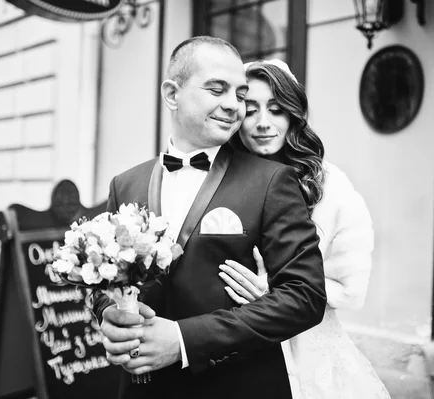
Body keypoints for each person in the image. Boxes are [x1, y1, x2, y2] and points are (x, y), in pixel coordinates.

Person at [91, 36, 327, 399]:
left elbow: (305, 296)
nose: (234, 105)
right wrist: (110, 315)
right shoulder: (125, 184)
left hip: (239, 385)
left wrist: (185, 340)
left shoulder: (271, 181)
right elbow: (105, 283)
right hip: (142, 389)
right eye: (218, 89)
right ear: (172, 94)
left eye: (240, 93)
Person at [218, 59, 391, 399]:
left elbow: (351, 289)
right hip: (232, 345)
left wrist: (280, 289)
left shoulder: (329, 186)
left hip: (306, 345)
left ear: (294, 115)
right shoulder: (219, 179)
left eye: (277, 110)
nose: (263, 123)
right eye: (250, 111)